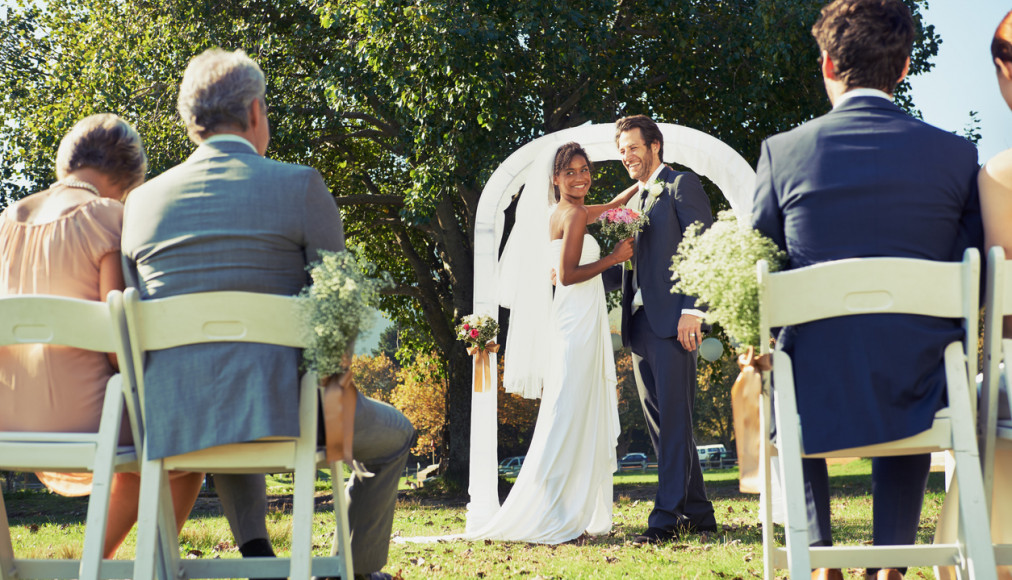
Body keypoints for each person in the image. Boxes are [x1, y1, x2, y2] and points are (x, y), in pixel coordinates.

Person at [120, 48, 413, 580]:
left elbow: (133, 308)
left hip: (182, 414)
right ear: (256, 112)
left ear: (191, 121)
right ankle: (358, 570)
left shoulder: (141, 203)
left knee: (227, 389)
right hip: (289, 411)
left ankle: (259, 559)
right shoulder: (298, 185)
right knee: (395, 435)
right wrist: (332, 388)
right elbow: (340, 312)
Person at [750, 1, 982, 578]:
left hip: (814, 382)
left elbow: (756, 268)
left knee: (787, 366)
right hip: (922, 383)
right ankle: (892, 564)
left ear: (828, 65)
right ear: (903, 68)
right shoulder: (957, 154)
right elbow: (970, 270)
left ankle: (820, 553)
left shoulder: (783, 153)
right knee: (916, 356)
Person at [0, 113, 204, 558]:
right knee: (187, 449)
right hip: (90, 419)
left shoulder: (4, 224)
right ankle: (118, 562)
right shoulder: (109, 216)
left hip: (8, 420)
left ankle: (72, 564)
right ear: (130, 177)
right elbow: (118, 348)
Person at [468, 141, 634, 543]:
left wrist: (640, 186)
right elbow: (569, 273)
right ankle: (553, 511)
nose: (580, 178)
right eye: (571, 172)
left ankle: (561, 506)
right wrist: (614, 258)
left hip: (573, 319)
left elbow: (608, 207)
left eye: (585, 170)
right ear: (555, 178)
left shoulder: (558, 212)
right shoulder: (573, 214)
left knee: (568, 411)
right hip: (576, 322)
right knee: (567, 414)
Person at [603, 115, 716, 545]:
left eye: (633, 147)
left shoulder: (681, 186)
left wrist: (695, 310)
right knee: (661, 425)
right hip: (640, 327)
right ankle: (700, 514)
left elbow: (701, 248)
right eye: (622, 150)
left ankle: (665, 520)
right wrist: (571, 276)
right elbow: (621, 264)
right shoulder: (632, 203)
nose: (627, 156)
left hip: (675, 324)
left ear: (655, 145)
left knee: (673, 422)